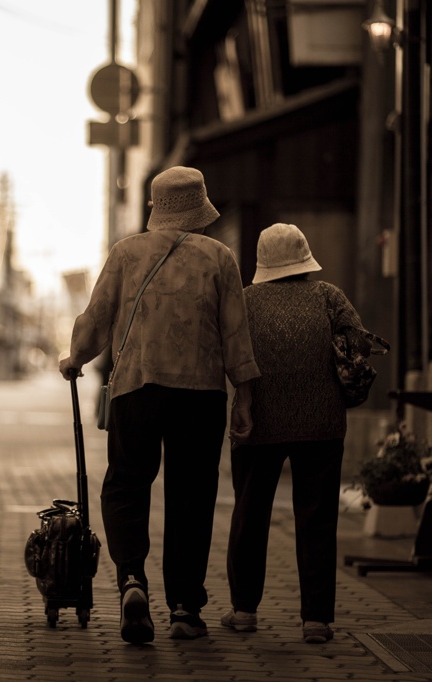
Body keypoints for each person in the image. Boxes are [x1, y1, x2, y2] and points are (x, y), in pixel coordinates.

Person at [59, 166, 260, 643]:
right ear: (200, 207)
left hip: (137, 388)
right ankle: (186, 608)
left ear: (156, 206)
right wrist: (245, 394)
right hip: (201, 393)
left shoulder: (127, 253)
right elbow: (236, 333)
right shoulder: (220, 257)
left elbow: (97, 317)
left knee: (126, 485)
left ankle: (131, 578)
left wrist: (75, 357)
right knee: (191, 496)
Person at [221, 222, 371, 645]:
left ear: (262, 261)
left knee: (250, 515)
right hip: (321, 424)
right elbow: (357, 343)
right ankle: (316, 620)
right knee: (317, 518)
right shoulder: (328, 296)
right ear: (305, 256)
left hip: (259, 422)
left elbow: (229, 353)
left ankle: (244, 611)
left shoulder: (246, 301)